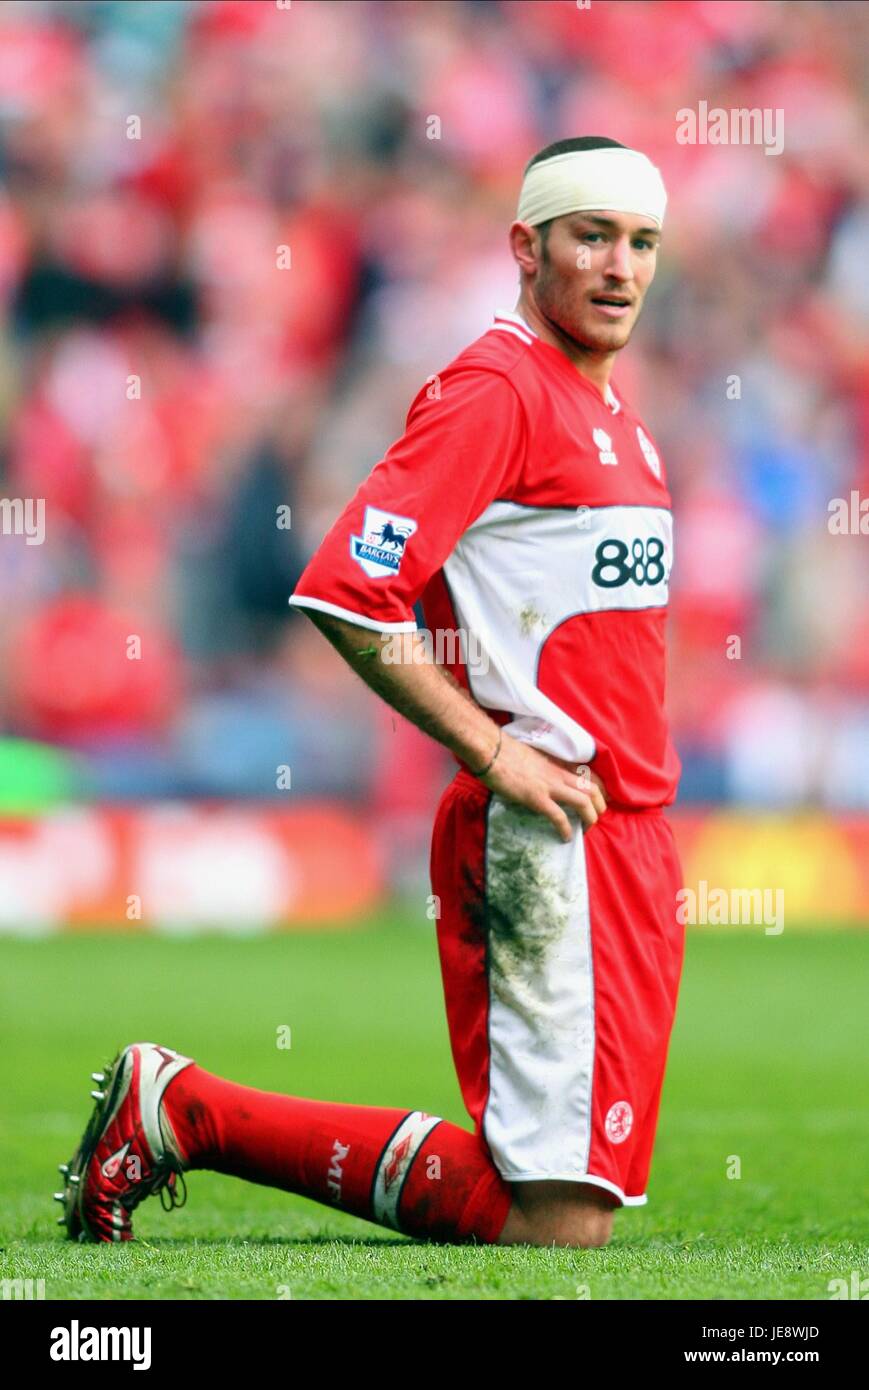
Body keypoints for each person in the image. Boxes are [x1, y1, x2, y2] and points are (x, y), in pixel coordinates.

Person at [57, 137, 684, 1249]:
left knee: (575, 1200)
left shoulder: (617, 418)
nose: (618, 266)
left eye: (639, 241)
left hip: (628, 837)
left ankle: (178, 1110)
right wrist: (494, 755)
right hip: (545, 830)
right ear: (524, 249)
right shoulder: (495, 391)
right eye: (590, 235)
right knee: (553, 1222)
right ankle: (188, 1111)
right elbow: (349, 591)